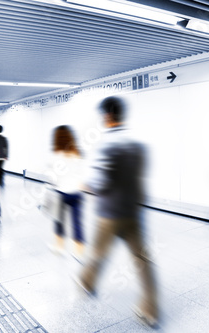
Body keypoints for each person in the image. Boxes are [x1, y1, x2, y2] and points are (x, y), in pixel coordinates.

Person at [77, 96, 159, 327]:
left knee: (98, 253)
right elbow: (138, 179)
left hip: (109, 215)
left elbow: (100, 183)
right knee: (142, 261)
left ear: (108, 116)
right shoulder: (137, 145)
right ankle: (151, 310)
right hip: (132, 212)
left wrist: (85, 186)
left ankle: (86, 282)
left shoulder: (106, 145)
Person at [49, 125, 85, 258]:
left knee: (59, 221)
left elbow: (53, 177)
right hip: (76, 192)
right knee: (77, 222)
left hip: (61, 192)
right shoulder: (77, 153)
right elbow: (82, 173)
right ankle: (79, 252)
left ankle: (59, 247)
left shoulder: (56, 155)